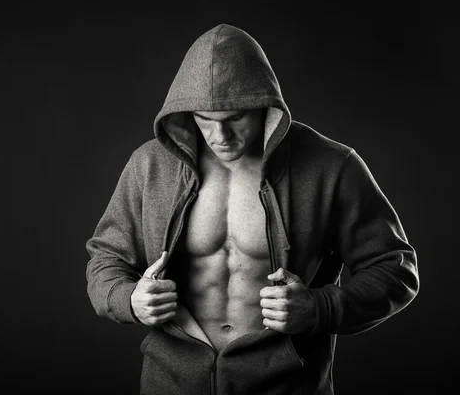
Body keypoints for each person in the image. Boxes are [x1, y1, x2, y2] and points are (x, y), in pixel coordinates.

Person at [85, 24, 419, 395]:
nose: (219, 137)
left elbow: (394, 268)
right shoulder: (150, 166)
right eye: (204, 120)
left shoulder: (330, 166)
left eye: (235, 119)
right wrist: (128, 300)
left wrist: (319, 308)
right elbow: (106, 258)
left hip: (285, 384)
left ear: (266, 107)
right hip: (172, 382)